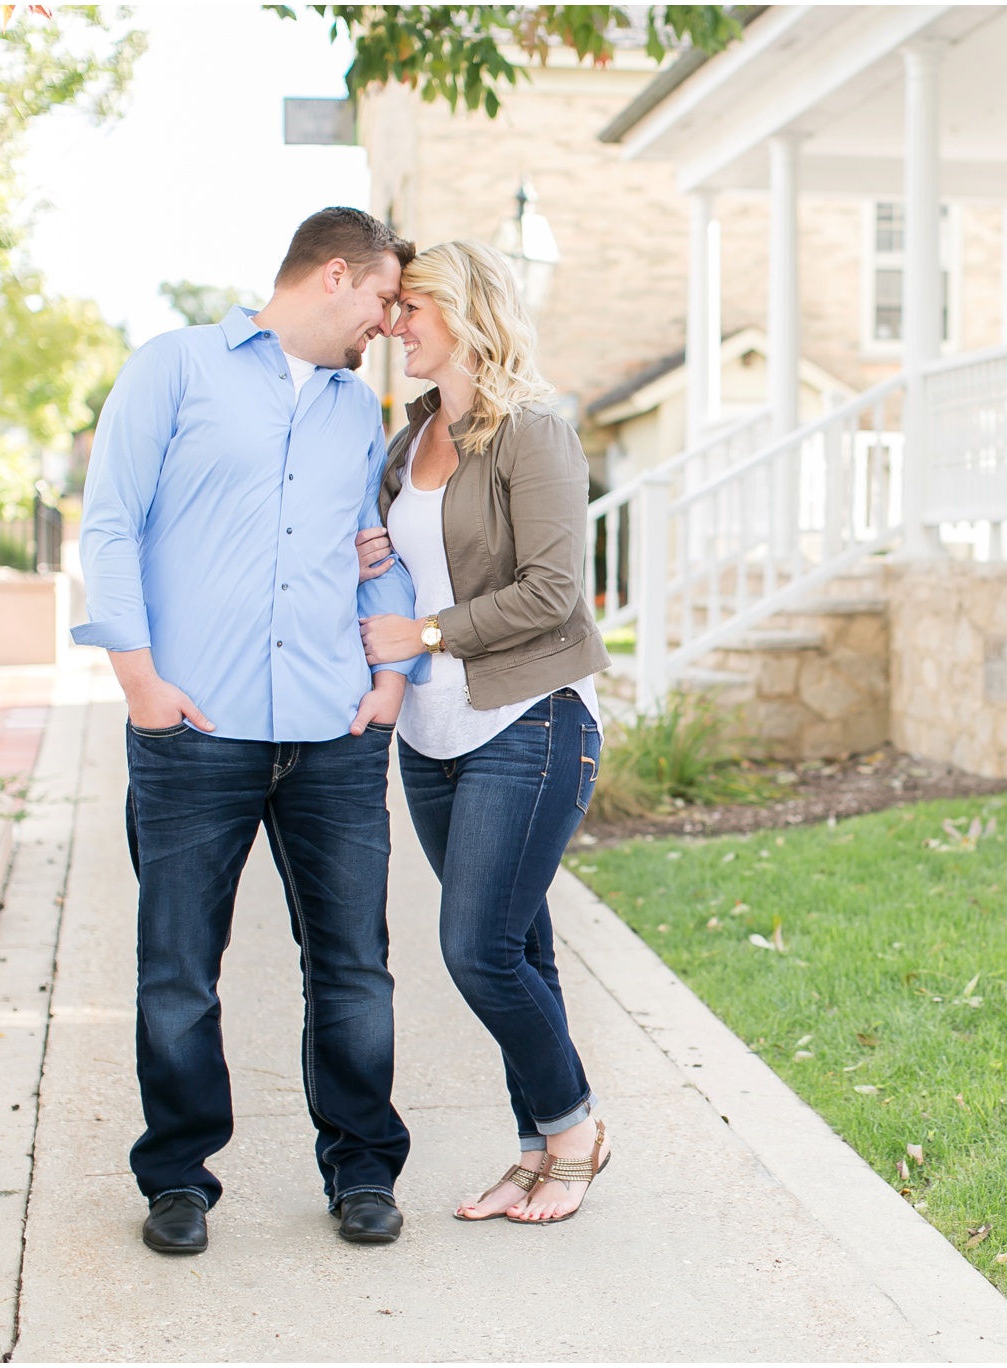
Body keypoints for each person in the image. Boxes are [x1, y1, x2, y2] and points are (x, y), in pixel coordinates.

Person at [73, 207, 425, 1255]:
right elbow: (110, 524)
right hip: (196, 727)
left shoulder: (355, 413)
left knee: (354, 964)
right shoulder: (172, 368)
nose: (384, 323)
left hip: (332, 727)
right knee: (180, 967)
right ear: (331, 276)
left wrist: (391, 680)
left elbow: (373, 548)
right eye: (380, 300)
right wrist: (138, 681)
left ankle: (362, 1169)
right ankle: (177, 1177)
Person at [356, 239, 612, 1225]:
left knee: (476, 947)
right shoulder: (404, 440)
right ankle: (536, 1149)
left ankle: (576, 1125)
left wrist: (424, 629)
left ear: (460, 311)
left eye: (408, 307)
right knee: (521, 949)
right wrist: (374, 557)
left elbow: (552, 592)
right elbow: (405, 572)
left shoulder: (529, 432)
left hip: (528, 718)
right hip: (431, 732)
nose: (392, 324)